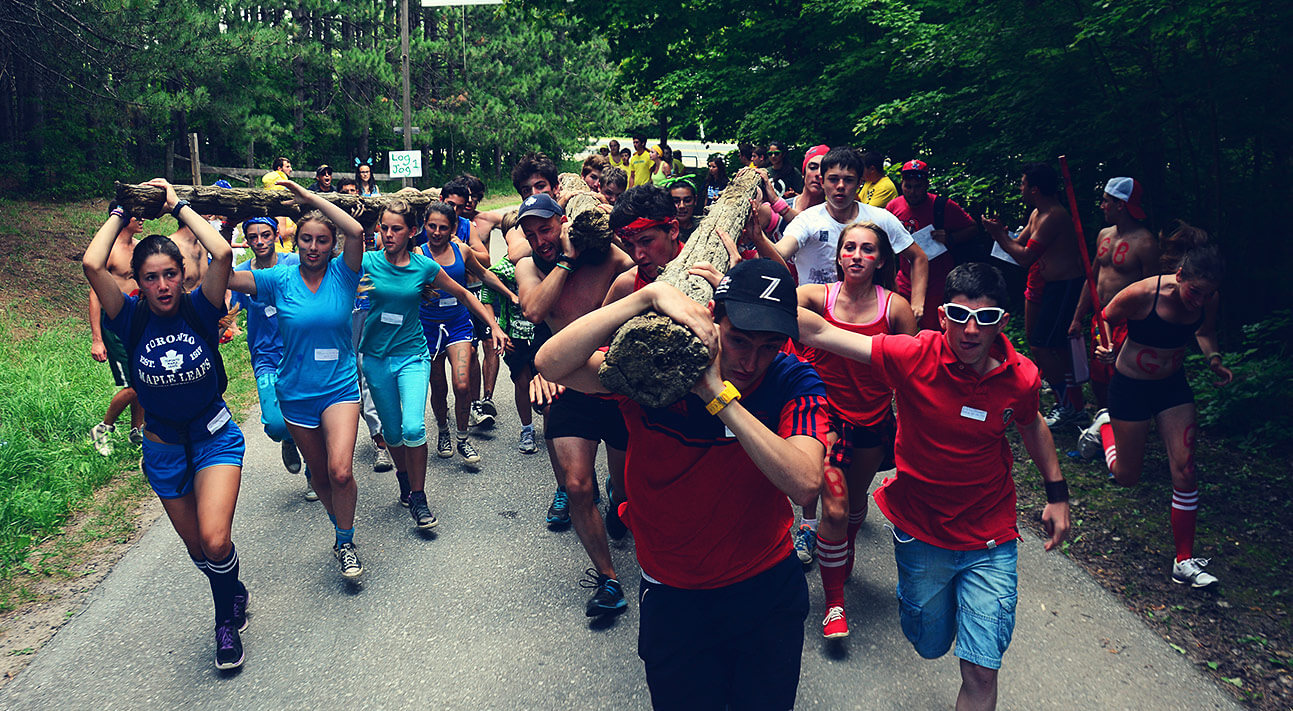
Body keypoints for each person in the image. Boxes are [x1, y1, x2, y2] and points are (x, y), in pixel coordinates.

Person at [535, 259, 829, 709]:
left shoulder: (792, 380)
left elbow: (806, 484)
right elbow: (551, 363)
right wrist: (644, 298)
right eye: (738, 340)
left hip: (763, 587)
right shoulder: (657, 366)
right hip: (674, 592)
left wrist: (717, 396)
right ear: (712, 318)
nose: (751, 361)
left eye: (769, 346)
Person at [797, 262, 1071, 710]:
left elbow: (1031, 422)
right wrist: (751, 296)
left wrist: (1057, 496)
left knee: (981, 670)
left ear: (1002, 322)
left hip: (990, 534)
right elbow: (822, 335)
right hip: (921, 529)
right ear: (942, 317)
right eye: (959, 317)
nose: (969, 331)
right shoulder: (913, 355)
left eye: (984, 319)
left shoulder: (1021, 376)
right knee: (929, 642)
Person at [85, 178, 249, 670]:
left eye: (170, 275)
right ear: (138, 281)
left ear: (182, 275)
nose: (161, 286)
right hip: (162, 448)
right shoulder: (129, 316)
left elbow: (220, 254)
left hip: (214, 436)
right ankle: (233, 588)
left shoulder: (202, 307)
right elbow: (93, 264)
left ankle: (224, 622)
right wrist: (122, 208)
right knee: (199, 548)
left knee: (216, 538)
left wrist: (177, 204)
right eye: (151, 277)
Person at [227, 179, 368, 580]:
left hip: (340, 388)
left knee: (341, 471)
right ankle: (339, 524)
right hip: (296, 394)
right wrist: (223, 235)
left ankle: (346, 541)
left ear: (331, 244)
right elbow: (223, 277)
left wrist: (309, 199)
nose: (312, 246)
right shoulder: (278, 280)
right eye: (305, 238)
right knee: (320, 474)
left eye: (321, 240)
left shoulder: (344, 273)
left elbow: (356, 230)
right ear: (297, 242)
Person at [514, 193, 636, 617]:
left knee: (625, 491)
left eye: (545, 229)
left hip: (616, 386)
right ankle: (608, 580)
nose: (539, 240)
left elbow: (640, 268)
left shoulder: (604, 257)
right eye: (531, 234)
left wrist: (599, 231)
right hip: (569, 386)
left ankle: (621, 504)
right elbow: (533, 310)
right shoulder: (530, 266)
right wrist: (564, 261)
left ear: (563, 222)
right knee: (578, 486)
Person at [1081, 244, 1231, 588]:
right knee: (1127, 476)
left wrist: (1214, 360)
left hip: (1172, 388)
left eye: (1207, 294)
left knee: (1186, 469)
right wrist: (1103, 347)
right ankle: (1106, 428)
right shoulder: (1144, 293)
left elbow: (1204, 332)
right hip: (1130, 386)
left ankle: (1183, 560)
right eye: (1194, 291)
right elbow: (1104, 317)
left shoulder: (1207, 299)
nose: (1199, 300)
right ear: (1179, 276)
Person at [796, 221, 917, 639]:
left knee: (853, 506)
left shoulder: (896, 309)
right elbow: (770, 302)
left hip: (873, 421)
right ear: (839, 255)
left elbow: (911, 372)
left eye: (867, 249)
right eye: (849, 248)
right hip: (823, 420)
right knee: (833, 508)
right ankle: (833, 604)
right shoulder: (814, 298)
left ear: (881, 259)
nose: (857, 255)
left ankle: (840, 543)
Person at [983, 162, 1088, 428]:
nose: (1020, 188)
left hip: (1064, 286)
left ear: (1035, 188)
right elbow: (1017, 245)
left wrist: (998, 235)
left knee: (1044, 345)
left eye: (1023, 183)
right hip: (1048, 285)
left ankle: (1068, 406)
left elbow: (1026, 256)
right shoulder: (1037, 213)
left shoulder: (1053, 215)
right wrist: (1003, 235)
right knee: (1043, 343)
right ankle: (1068, 400)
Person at [416, 201, 512, 465]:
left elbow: (485, 275)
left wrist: (510, 295)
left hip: (458, 323)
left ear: (453, 229)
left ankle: (462, 438)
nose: (436, 232)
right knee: (438, 385)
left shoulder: (462, 251)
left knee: (462, 384)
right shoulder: (418, 254)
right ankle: (443, 431)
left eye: (442, 228)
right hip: (428, 328)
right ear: (425, 226)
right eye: (431, 226)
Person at [228, 217, 308, 496]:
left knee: (308, 414)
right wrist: (230, 325)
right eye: (253, 237)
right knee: (275, 424)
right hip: (265, 355)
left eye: (265, 235)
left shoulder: (293, 263)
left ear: (276, 235)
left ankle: (313, 472)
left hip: (299, 351)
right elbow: (231, 310)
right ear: (247, 241)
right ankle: (288, 438)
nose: (260, 242)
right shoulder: (241, 272)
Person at [1069, 177, 1159, 413]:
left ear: (1121, 204)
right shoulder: (1103, 235)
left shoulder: (1145, 243)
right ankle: (1103, 423)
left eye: (1106, 201)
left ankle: (1127, 422)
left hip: (1129, 323)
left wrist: (1147, 330)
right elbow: (1092, 280)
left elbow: (1153, 291)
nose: (1102, 205)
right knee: (1099, 377)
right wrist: (1078, 317)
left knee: (1123, 374)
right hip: (1101, 319)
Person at [886, 160, 980, 330]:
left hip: (937, 282)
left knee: (933, 330)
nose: (913, 192)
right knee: (902, 328)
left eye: (918, 186)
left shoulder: (942, 206)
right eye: (908, 186)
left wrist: (950, 238)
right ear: (902, 184)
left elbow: (972, 228)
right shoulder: (894, 207)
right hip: (905, 280)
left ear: (926, 185)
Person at [88, 203, 144, 456]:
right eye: (137, 215)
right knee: (132, 385)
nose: (142, 219)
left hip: (138, 319)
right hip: (114, 324)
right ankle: (103, 428)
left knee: (142, 376)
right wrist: (97, 339)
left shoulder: (139, 247)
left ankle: (137, 430)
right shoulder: (108, 251)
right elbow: (95, 295)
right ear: (124, 218)